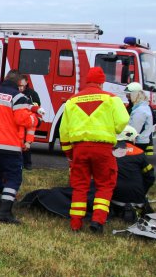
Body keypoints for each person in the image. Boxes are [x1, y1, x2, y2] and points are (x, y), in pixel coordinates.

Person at [59, 67, 129, 232]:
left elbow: (64, 132)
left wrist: (70, 154)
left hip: (79, 149)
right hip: (103, 149)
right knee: (104, 185)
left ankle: (75, 223)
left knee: (80, 186)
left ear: (86, 80)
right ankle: (97, 221)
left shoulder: (72, 101)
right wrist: (114, 130)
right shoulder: (112, 99)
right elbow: (122, 120)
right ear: (102, 82)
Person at [0, 70, 39, 224]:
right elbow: (22, 120)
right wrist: (34, 118)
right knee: (13, 178)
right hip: (8, 145)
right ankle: (5, 211)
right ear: (18, 83)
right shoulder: (18, 97)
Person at [111, 125, 156, 222]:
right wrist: (141, 190)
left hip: (114, 200)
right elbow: (150, 177)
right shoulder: (140, 153)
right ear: (131, 138)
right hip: (138, 200)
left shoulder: (111, 152)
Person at [18, 75, 41, 170]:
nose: (21, 88)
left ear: (26, 83)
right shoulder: (15, 93)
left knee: (26, 144)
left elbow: (37, 108)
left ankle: (27, 164)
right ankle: (20, 164)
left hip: (29, 122)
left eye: (22, 85)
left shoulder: (32, 94)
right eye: (19, 85)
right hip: (18, 121)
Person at [124, 82, 154, 156]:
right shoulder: (143, 107)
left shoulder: (140, 110)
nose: (127, 97)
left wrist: (122, 137)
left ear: (135, 95)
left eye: (129, 95)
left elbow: (134, 130)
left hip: (137, 141)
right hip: (141, 140)